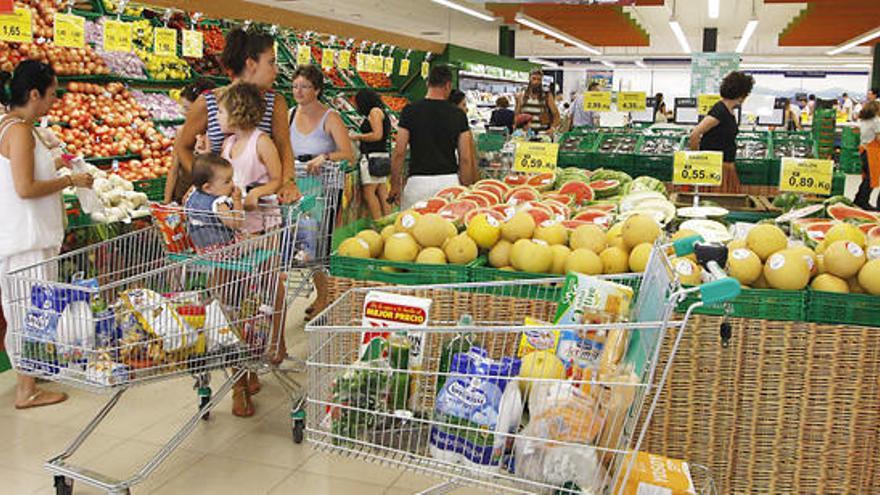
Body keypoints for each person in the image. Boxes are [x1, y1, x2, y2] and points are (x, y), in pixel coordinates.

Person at [0, 61, 94, 409]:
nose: (54, 101)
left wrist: (60, 165)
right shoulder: (20, 131)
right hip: (27, 238)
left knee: (26, 309)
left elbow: (23, 172)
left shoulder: (14, 125)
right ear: (34, 93)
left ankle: (30, 375)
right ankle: (27, 390)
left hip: (25, 235)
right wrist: (70, 181)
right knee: (33, 311)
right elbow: (25, 187)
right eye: (52, 93)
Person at [175, 28, 300, 206]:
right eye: (271, 62)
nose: (276, 70)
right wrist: (207, 182)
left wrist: (288, 183)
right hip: (218, 206)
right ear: (251, 64)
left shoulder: (275, 103)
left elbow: (283, 147)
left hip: (257, 206)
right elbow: (183, 147)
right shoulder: (208, 102)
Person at [288, 64, 354, 323]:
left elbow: (348, 154)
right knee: (305, 246)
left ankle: (325, 296)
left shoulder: (331, 118)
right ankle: (321, 294)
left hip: (324, 191)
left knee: (319, 245)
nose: (298, 91)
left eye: (304, 86)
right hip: (298, 189)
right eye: (295, 86)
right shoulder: (291, 115)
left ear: (316, 89)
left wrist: (325, 157)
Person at [390, 65, 475, 210]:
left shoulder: (409, 111)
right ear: (448, 85)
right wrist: (466, 188)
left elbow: (399, 153)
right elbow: (465, 158)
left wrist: (394, 185)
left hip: (417, 183)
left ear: (427, 83)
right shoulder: (458, 115)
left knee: (412, 230)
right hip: (448, 183)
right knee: (447, 230)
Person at [218, 83, 283, 233]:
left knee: (267, 256)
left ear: (237, 113)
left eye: (220, 112)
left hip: (265, 225)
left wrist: (256, 193)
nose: (216, 117)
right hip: (239, 223)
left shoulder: (262, 142)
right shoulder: (227, 145)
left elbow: (276, 180)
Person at [688, 71, 755, 194]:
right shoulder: (720, 110)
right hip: (715, 168)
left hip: (725, 167)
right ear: (742, 94)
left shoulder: (729, 110)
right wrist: (697, 159)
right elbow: (695, 134)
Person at [164, 78, 216, 204]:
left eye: (187, 109)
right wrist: (166, 203)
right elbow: (174, 169)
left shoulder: (214, 135)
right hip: (181, 196)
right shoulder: (182, 132)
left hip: (206, 201)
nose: (181, 112)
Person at [184, 154, 244, 251]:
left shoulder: (192, 195)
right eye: (227, 181)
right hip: (223, 249)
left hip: (201, 249)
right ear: (208, 188)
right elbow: (236, 225)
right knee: (257, 241)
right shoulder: (219, 204)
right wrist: (237, 201)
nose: (232, 184)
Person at [350, 89, 391, 221]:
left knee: (369, 193)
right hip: (381, 156)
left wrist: (357, 136)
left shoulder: (374, 112)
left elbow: (377, 135)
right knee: (381, 191)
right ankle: (389, 223)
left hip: (372, 157)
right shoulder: (380, 111)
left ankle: (379, 223)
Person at [853, 101, 880, 211]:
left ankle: (858, 199)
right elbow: (879, 138)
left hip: (864, 151)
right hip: (872, 152)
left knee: (866, 178)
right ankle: (863, 202)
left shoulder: (863, 121)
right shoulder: (876, 121)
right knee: (871, 179)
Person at [515, 68, 559, 134]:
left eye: (539, 79)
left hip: (543, 134)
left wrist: (552, 128)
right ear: (529, 78)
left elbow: (556, 114)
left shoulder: (547, 95)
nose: (536, 82)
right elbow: (517, 114)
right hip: (526, 134)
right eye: (534, 78)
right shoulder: (522, 95)